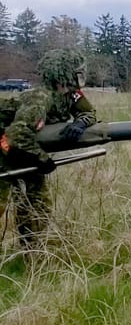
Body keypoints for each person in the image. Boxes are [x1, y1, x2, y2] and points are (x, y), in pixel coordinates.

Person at [0, 49, 97, 248]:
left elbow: (89, 113)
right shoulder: (40, 98)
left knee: (37, 205)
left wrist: (80, 124)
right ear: (64, 74)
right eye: (77, 72)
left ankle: (32, 253)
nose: (81, 76)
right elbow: (16, 136)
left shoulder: (71, 95)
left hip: (27, 151)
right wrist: (43, 160)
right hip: (7, 150)